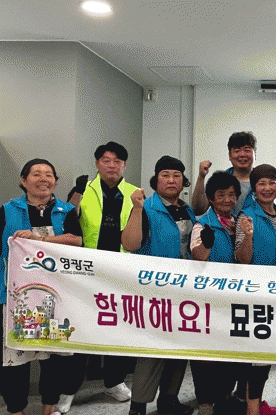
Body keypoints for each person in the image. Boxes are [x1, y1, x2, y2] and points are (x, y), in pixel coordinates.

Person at [58, 141, 136, 413]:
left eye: (117, 161)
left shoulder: (135, 193)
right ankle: (69, 388)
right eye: (106, 160)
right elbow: (66, 220)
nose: (112, 165)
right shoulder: (83, 189)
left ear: (124, 165)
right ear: (96, 163)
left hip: (120, 270)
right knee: (80, 328)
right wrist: (76, 194)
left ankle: (114, 381)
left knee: (118, 327)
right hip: (85, 271)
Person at [0, 159, 82, 415]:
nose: (43, 179)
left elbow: (76, 241)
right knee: (15, 358)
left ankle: (49, 407)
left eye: (49, 174)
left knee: (55, 356)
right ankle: (16, 410)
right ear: (24, 180)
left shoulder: (66, 210)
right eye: (36, 174)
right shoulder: (6, 210)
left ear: (55, 181)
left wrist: (39, 239)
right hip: (17, 296)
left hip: (57, 296)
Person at [121, 156, 196, 415]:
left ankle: (169, 400)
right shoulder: (146, 208)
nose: (171, 180)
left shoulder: (187, 210)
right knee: (152, 351)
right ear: (156, 180)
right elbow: (130, 244)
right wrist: (137, 209)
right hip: (155, 292)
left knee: (180, 347)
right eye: (165, 175)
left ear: (183, 182)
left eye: (176, 176)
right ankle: (138, 406)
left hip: (185, 291)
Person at [190, 170, 248, 415]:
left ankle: (225, 393)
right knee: (205, 352)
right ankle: (205, 401)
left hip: (234, 298)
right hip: (208, 299)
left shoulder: (239, 223)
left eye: (231, 194)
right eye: (221, 194)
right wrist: (206, 243)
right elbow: (197, 256)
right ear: (211, 198)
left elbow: (244, 259)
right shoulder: (201, 224)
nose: (227, 199)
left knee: (230, 348)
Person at [235, 164, 276, 415]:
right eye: (261, 183)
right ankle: (253, 408)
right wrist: (247, 236)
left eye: (271, 182)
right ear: (254, 188)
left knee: (266, 352)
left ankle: (255, 402)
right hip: (256, 293)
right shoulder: (246, 216)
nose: (267, 188)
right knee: (256, 353)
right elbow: (242, 258)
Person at [192, 131, 257, 216]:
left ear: (255, 154)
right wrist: (201, 177)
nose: (242, 154)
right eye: (237, 151)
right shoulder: (219, 180)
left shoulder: (263, 180)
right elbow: (198, 210)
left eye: (247, 150)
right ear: (229, 156)